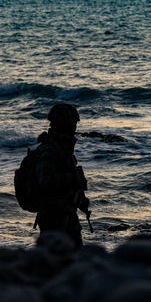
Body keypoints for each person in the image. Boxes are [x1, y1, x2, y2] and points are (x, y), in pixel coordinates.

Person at [34, 103, 90, 249]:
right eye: (72, 123)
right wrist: (72, 178)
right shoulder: (50, 149)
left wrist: (80, 199)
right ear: (62, 124)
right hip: (53, 215)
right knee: (52, 262)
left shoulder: (63, 148)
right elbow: (45, 180)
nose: (74, 127)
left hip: (67, 212)